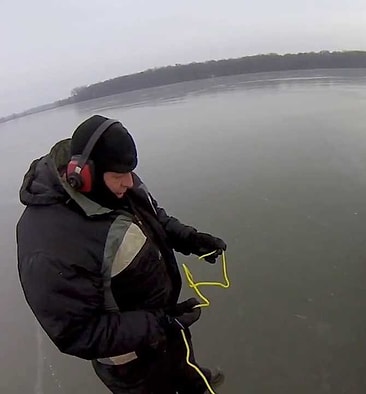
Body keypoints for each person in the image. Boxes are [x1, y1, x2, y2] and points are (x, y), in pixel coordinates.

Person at [16, 115, 227, 393]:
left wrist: (188, 239)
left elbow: (152, 216)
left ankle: (192, 381)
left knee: (184, 366)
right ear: (83, 176)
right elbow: (78, 333)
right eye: (119, 176)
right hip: (130, 364)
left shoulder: (117, 178)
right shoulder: (48, 245)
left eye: (130, 172)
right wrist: (160, 322)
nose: (129, 182)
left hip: (166, 327)